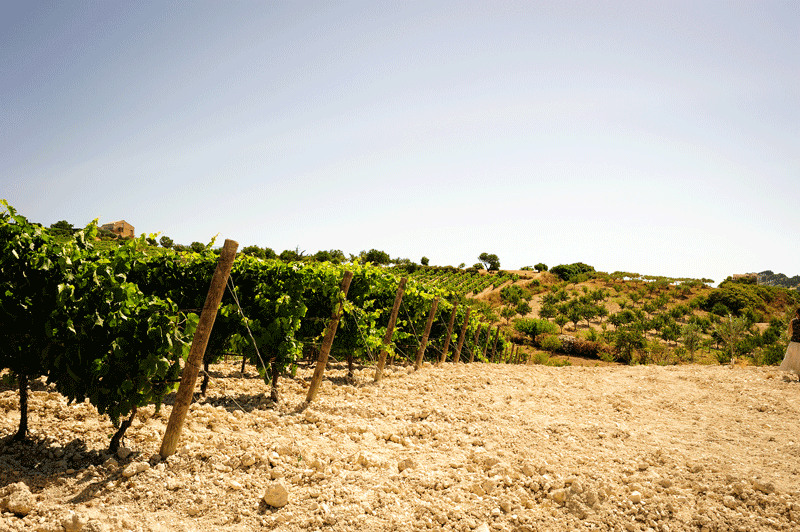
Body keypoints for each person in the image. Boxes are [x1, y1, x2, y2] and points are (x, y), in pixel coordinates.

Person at [779, 307, 800, 379]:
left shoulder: (793, 321)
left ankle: (797, 374)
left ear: (797, 313)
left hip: (794, 342)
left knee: (793, 357)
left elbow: (790, 332)